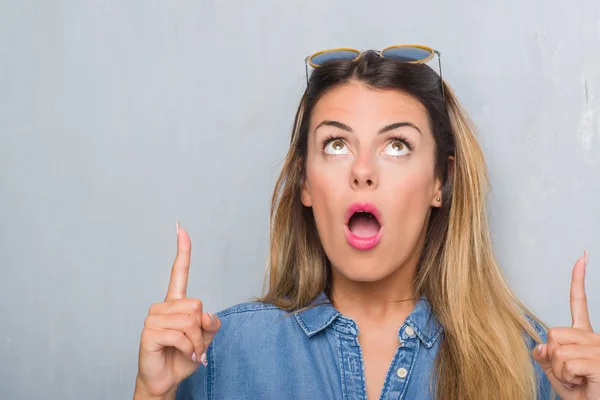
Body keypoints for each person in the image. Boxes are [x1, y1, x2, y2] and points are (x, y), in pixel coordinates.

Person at [133, 46, 600, 400]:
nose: (362, 170)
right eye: (336, 144)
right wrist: (150, 393)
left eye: (396, 145)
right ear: (306, 184)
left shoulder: (529, 365)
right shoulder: (224, 354)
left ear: (441, 181)